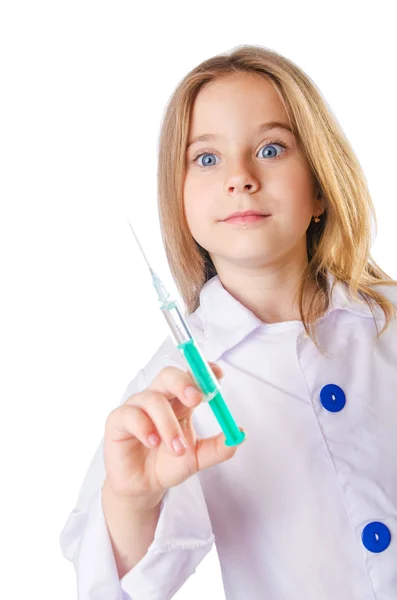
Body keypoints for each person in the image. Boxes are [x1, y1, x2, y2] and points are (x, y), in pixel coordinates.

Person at [59, 44, 397, 599]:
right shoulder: (176, 391)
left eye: (270, 148)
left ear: (319, 186)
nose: (239, 177)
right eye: (207, 159)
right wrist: (132, 501)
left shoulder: (387, 320)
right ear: (181, 199)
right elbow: (108, 585)